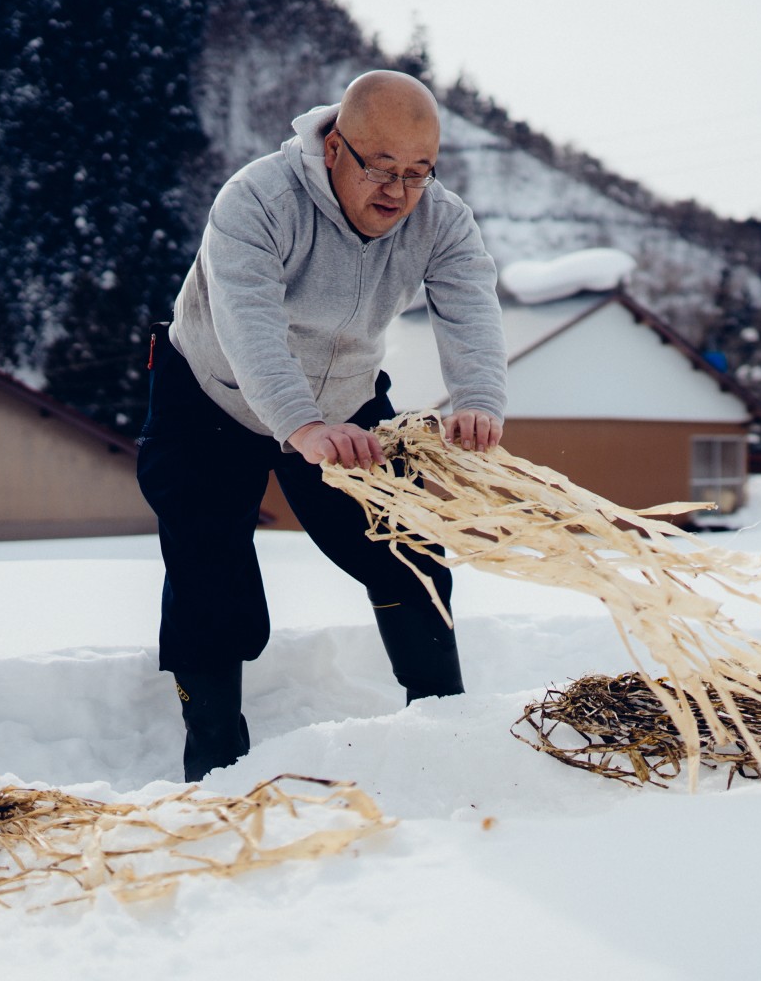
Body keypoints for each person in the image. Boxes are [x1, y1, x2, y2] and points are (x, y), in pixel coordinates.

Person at [137, 69, 506, 782]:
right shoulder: (256, 200)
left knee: (405, 548)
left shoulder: (441, 219)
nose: (399, 193)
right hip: (213, 395)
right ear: (335, 146)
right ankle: (215, 762)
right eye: (383, 170)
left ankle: (446, 727)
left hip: (344, 399)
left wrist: (478, 401)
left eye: (419, 173)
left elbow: (470, 306)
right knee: (211, 577)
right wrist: (300, 426)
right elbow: (249, 326)